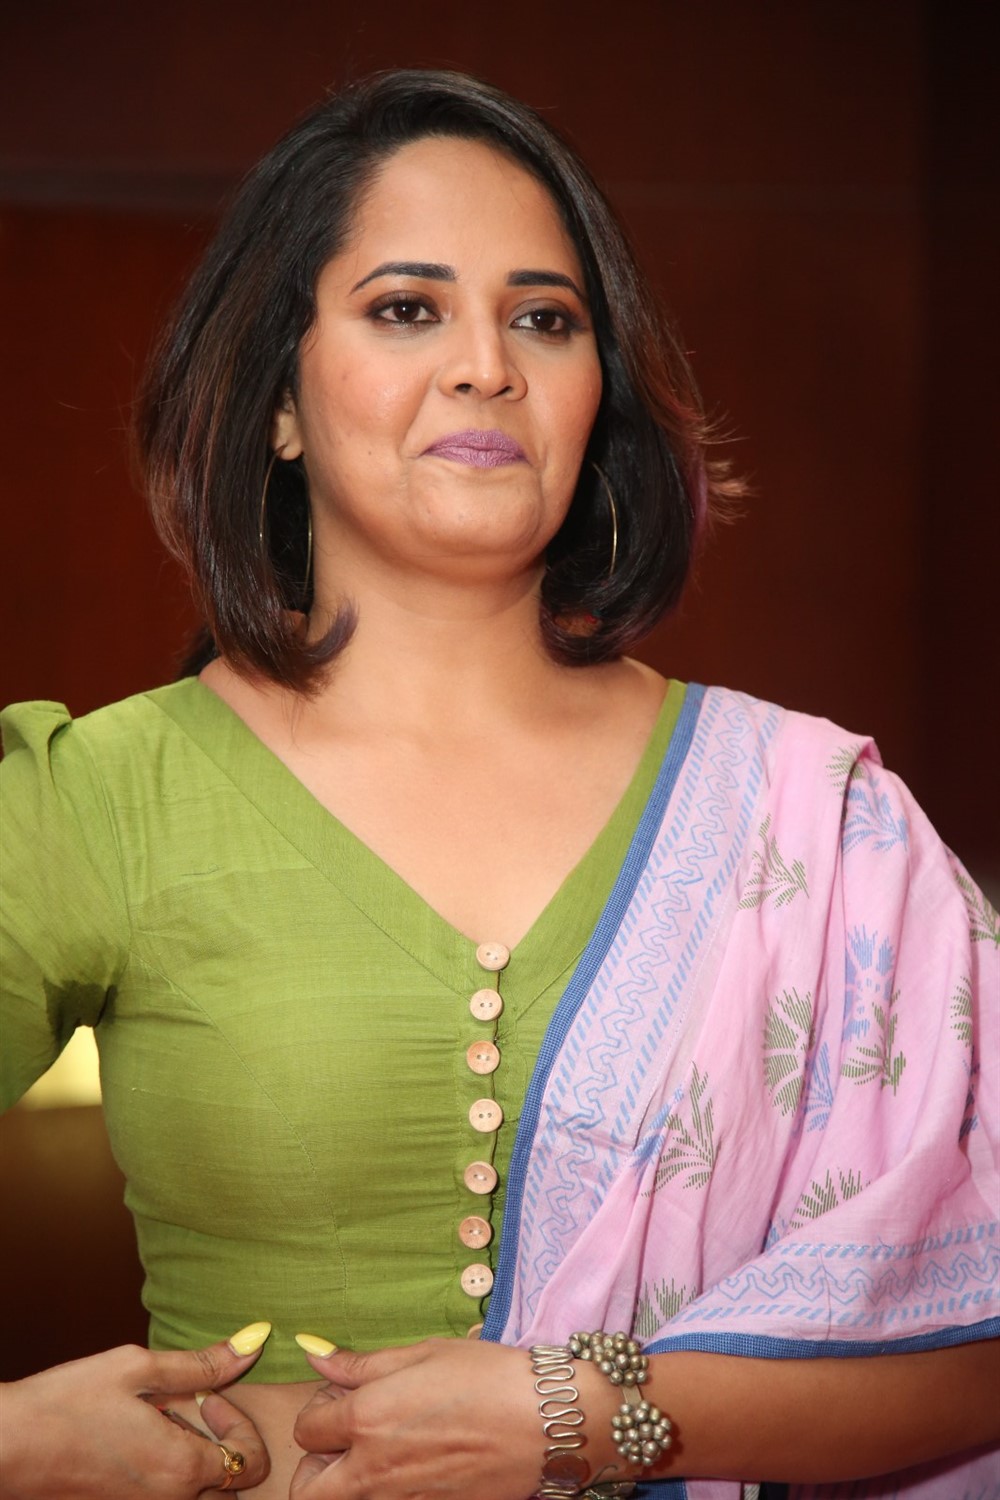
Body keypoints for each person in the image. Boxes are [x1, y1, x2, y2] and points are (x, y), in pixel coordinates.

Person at [1, 68, 997, 1500]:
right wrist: (21, 1444)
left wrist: (569, 1413)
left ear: (598, 397)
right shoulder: (101, 801)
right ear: (277, 401)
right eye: (407, 308)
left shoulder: (818, 820)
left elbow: (979, 1347)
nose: (486, 365)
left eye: (544, 318)